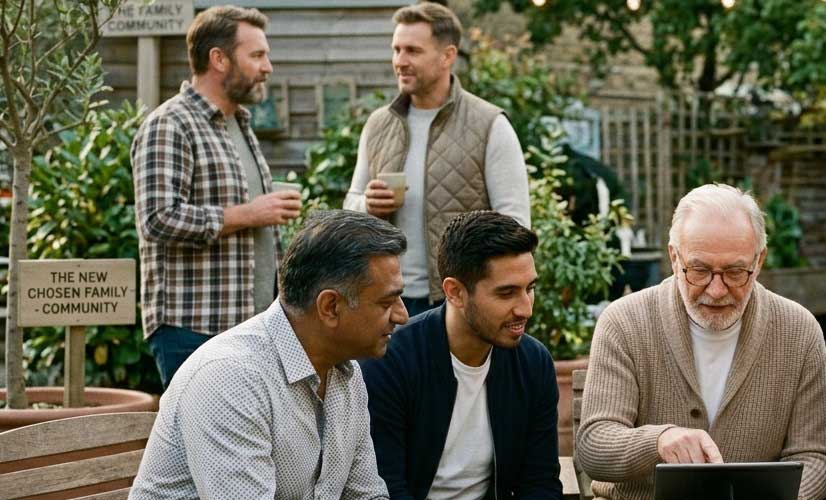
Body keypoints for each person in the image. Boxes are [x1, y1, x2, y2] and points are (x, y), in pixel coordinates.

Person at [575, 184, 826, 500]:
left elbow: (815, 457)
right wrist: (660, 441)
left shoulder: (799, 331)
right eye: (699, 270)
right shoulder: (625, 322)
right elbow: (594, 445)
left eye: (735, 272)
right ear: (674, 257)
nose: (716, 289)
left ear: (760, 261)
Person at [130, 210, 409, 499]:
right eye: (386, 302)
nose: (402, 315)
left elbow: (365, 495)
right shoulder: (230, 378)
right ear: (330, 307)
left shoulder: (346, 374)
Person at [133, 5, 301, 388]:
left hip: (251, 324)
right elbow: (157, 219)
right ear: (219, 59)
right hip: (193, 329)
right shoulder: (169, 124)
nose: (268, 66)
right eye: (257, 55)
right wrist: (249, 214)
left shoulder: (239, 123)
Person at [344, 2, 530, 317]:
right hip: (388, 300)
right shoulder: (378, 125)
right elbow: (350, 206)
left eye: (413, 51)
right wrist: (367, 206)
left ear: (448, 56)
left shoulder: (489, 125)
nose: (400, 61)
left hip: (458, 300)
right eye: (396, 50)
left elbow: (515, 224)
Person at [361, 211, 560, 500]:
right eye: (506, 293)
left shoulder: (532, 363)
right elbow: (385, 487)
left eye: (529, 289)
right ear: (455, 292)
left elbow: (540, 483)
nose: (525, 309)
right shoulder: (393, 360)